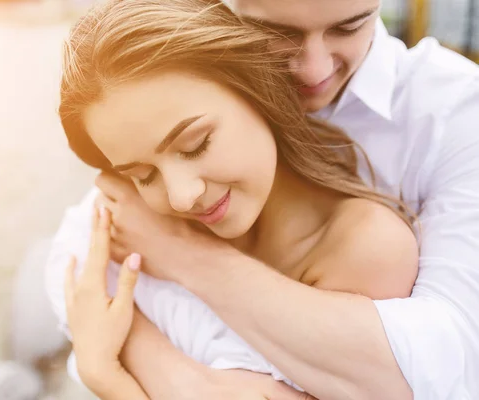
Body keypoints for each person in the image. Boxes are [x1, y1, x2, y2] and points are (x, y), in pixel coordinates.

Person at [48, 0, 479, 399]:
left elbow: (446, 365)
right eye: (275, 32)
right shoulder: (169, 106)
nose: (311, 72)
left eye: (350, 25)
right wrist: (106, 358)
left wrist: (115, 367)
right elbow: (71, 262)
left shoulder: (453, 116)